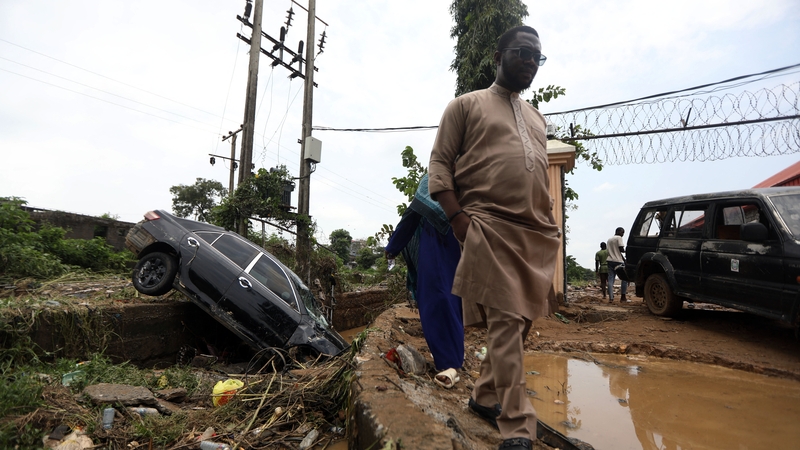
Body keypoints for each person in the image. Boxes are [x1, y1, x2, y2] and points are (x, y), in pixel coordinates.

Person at [428, 25, 558, 450]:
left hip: (535, 234)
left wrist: (550, 223)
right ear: (499, 55)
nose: (531, 62)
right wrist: (458, 219)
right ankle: (519, 426)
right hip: (488, 226)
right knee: (504, 320)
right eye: (523, 52)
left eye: (538, 57)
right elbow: (440, 165)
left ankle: (484, 397)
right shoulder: (464, 106)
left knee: (519, 324)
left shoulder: (537, 118)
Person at [384, 174, 464, 388]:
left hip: (455, 247)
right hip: (436, 245)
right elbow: (411, 216)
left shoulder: (470, 180)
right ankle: (450, 361)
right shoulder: (430, 182)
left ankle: (451, 362)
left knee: (446, 301)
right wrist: (393, 247)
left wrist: (393, 247)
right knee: (439, 300)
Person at [606, 227, 627, 302]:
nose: (623, 234)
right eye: (622, 232)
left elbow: (615, 251)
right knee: (624, 278)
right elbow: (621, 249)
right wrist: (625, 251)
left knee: (611, 279)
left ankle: (611, 298)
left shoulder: (609, 240)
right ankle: (623, 297)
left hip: (610, 260)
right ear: (618, 232)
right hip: (618, 261)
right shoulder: (619, 238)